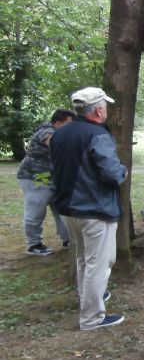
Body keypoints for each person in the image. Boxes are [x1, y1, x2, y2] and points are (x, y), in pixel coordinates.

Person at [50, 88, 126, 331]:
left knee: (84, 260)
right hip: (95, 209)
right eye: (106, 105)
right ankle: (92, 318)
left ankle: (88, 302)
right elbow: (112, 173)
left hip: (69, 209)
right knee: (98, 264)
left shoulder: (61, 133)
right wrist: (123, 172)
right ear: (99, 109)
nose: (107, 110)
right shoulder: (97, 134)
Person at [17, 109, 76, 255]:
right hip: (35, 177)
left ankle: (68, 239)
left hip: (53, 177)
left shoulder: (61, 132)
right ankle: (34, 245)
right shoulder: (45, 131)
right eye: (68, 124)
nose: (71, 128)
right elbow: (55, 143)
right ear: (57, 123)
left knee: (61, 209)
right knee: (36, 209)